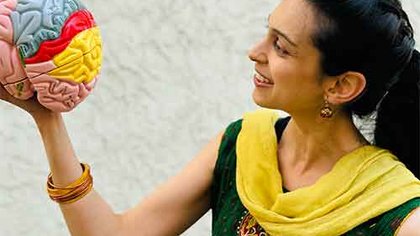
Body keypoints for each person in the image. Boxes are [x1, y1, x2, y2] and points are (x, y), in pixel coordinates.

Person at [1, 0, 419, 235]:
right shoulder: (242, 146)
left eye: (282, 47)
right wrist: (47, 117)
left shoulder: (396, 212)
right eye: (266, 33)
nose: (256, 52)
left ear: (341, 86)